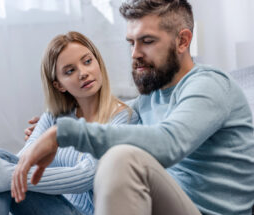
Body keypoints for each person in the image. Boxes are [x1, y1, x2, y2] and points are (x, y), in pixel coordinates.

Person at [13, 0, 254, 215]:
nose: (135, 53)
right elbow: (114, 112)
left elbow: (168, 142)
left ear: (182, 41)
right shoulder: (151, 97)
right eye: (131, 43)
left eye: (147, 41)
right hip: (158, 205)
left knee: (122, 158)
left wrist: (63, 134)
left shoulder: (208, 85)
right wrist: (55, 127)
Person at [0, 31, 137, 215]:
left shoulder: (122, 118)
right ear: (59, 85)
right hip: (55, 207)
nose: (83, 73)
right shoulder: (54, 117)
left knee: (0, 173)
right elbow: (24, 158)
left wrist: (5, 175)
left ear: (98, 62)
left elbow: (87, 176)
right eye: (70, 71)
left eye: (87, 61)